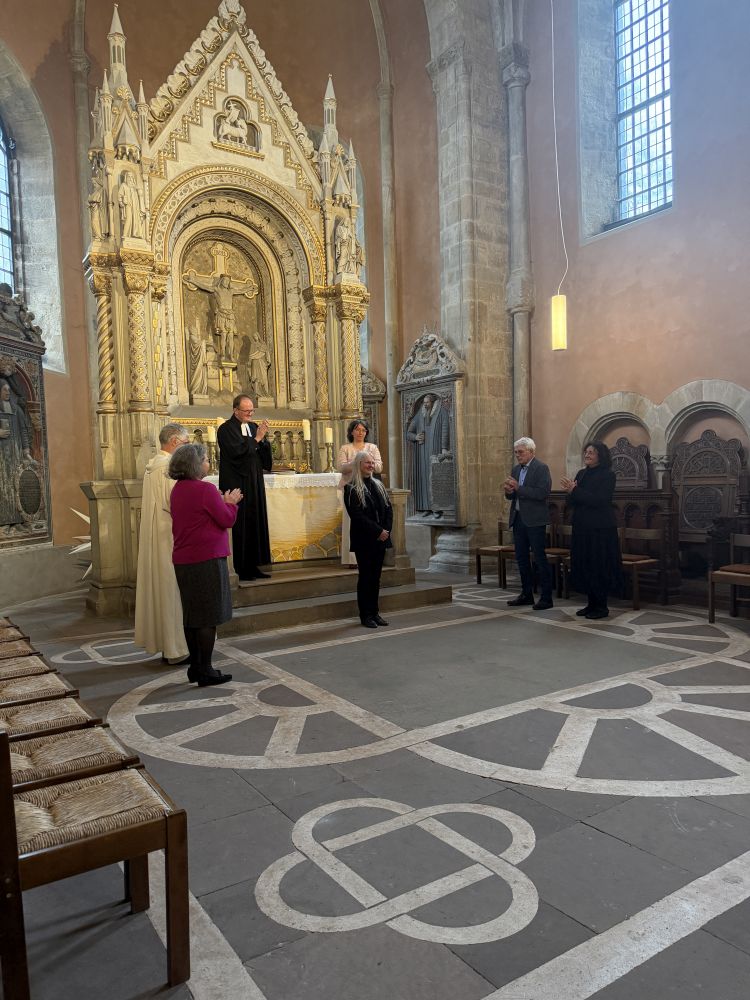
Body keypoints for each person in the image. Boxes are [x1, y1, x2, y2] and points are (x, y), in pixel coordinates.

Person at [169, 442, 242, 686]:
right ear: (196, 464)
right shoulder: (205, 489)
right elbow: (226, 519)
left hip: (184, 559)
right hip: (206, 559)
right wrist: (230, 502)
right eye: (206, 460)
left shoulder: (178, 489)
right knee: (208, 617)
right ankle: (206, 669)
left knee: (192, 616)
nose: (209, 463)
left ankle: (196, 668)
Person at [134, 423, 191, 664]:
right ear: (175, 442)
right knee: (171, 590)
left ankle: (168, 645)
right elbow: (174, 502)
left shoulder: (154, 465)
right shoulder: (168, 468)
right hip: (169, 534)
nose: (187, 448)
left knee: (164, 588)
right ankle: (176, 648)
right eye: (186, 443)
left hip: (158, 533)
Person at [561, 441, 622, 620]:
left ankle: (601, 607)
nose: (587, 455)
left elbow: (600, 500)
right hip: (582, 527)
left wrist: (575, 490)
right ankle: (591, 604)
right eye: (586, 452)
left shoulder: (608, 475)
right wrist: (570, 492)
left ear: (600, 456)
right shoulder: (582, 474)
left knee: (598, 566)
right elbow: (573, 502)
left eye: (591, 452)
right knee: (585, 565)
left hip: (600, 529)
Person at [217, 394, 273, 581]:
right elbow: (236, 453)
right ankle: (240, 567)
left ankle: (254, 565)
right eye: (246, 410)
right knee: (241, 523)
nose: (250, 413)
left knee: (254, 520)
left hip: (254, 481)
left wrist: (263, 441)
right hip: (236, 482)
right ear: (235, 410)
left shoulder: (253, 426)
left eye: (252, 410)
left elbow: (261, 454)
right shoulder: (226, 429)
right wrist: (257, 439)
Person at [503, 436, 554, 610]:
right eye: (516, 452)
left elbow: (542, 493)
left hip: (535, 521)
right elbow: (512, 495)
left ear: (531, 452)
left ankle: (546, 598)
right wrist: (509, 491)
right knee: (522, 559)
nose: (517, 455)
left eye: (521, 452)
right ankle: (526, 594)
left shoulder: (541, 468)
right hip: (518, 519)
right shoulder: (516, 469)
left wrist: (519, 488)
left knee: (539, 559)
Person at [344, 451, 393, 628]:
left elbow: (388, 509)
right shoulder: (351, 488)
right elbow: (357, 516)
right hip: (364, 540)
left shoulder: (378, 485)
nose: (371, 465)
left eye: (372, 463)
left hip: (380, 539)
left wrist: (386, 530)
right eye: (367, 463)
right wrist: (378, 531)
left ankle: (375, 613)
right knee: (366, 578)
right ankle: (365, 615)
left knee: (376, 578)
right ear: (359, 465)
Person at [337, 418, 383, 567]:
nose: (360, 432)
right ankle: (351, 559)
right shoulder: (345, 448)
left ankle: (370, 554)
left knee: (368, 520)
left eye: (363, 430)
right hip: (350, 488)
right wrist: (358, 461)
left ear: (366, 432)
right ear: (352, 432)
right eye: (357, 429)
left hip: (369, 489)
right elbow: (341, 467)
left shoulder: (372, 447)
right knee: (351, 522)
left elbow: (379, 467)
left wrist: (366, 462)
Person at [406, 393, 451, 515]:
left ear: (433, 402)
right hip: (422, 454)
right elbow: (408, 433)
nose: (425, 404)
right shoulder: (419, 415)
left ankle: (438, 508)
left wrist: (444, 448)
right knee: (424, 479)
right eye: (424, 402)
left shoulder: (441, 412)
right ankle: (426, 507)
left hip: (436, 451)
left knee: (436, 478)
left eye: (427, 402)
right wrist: (416, 437)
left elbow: (445, 430)